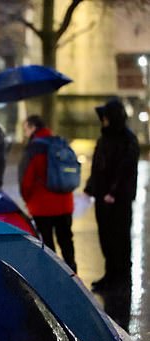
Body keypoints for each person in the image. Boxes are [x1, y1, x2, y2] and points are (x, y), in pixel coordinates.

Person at [85, 98, 139, 291]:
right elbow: (98, 165)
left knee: (119, 236)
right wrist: (91, 186)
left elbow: (126, 169)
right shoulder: (105, 138)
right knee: (106, 236)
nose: (103, 120)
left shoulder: (127, 139)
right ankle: (111, 274)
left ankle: (121, 276)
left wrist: (113, 192)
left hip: (118, 198)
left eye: (106, 117)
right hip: (103, 196)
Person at [18, 115, 77, 272]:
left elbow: (26, 180)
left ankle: (53, 275)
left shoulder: (34, 148)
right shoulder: (60, 142)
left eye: (25, 128)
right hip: (65, 203)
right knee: (66, 240)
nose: (25, 133)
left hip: (42, 206)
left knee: (48, 245)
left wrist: (27, 199)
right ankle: (73, 275)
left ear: (32, 127)